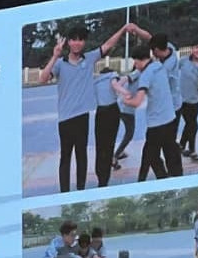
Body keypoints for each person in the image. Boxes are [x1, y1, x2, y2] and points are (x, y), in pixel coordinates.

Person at [38, 24, 133, 193]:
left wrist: (123, 29)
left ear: (84, 42)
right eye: (73, 39)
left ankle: (81, 191)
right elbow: (42, 79)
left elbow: (108, 45)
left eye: (80, 39)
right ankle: (65, 193)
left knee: (82, 156)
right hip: (65, 118)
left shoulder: (89, 59)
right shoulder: (60, 63)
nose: (77, 43)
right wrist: (54, 56)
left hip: (82, 117)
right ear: (69, 42)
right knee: (65, 157)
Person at [117, 36, 182, 182]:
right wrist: (125, 80)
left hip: (156, 124)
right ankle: (175, 178)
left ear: (139, 60)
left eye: (135, 61)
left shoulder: (146, 75)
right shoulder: (158, 65)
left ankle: (151, 180)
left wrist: (125, 100)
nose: (134, 64)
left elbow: (138, 101)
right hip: (170, 119)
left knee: (150, 155)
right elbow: (136, 74)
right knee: (170, 152)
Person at [175, 42, 198, 163]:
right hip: (179, 100)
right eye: (196, 47)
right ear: (192, 49)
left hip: (194, 100)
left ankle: (184, 147)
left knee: (191, 124)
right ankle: (188, 149)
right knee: (192, 125)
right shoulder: (184, 60)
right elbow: (172, 70)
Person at [92, 65, 123, 188]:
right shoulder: (112, 75)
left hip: (100, 112)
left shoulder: (96, 81)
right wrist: (125, 92)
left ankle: (100, 176)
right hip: (112, 110)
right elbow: (115, 85)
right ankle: (105, 178)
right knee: (109, 145)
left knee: (100, 146)